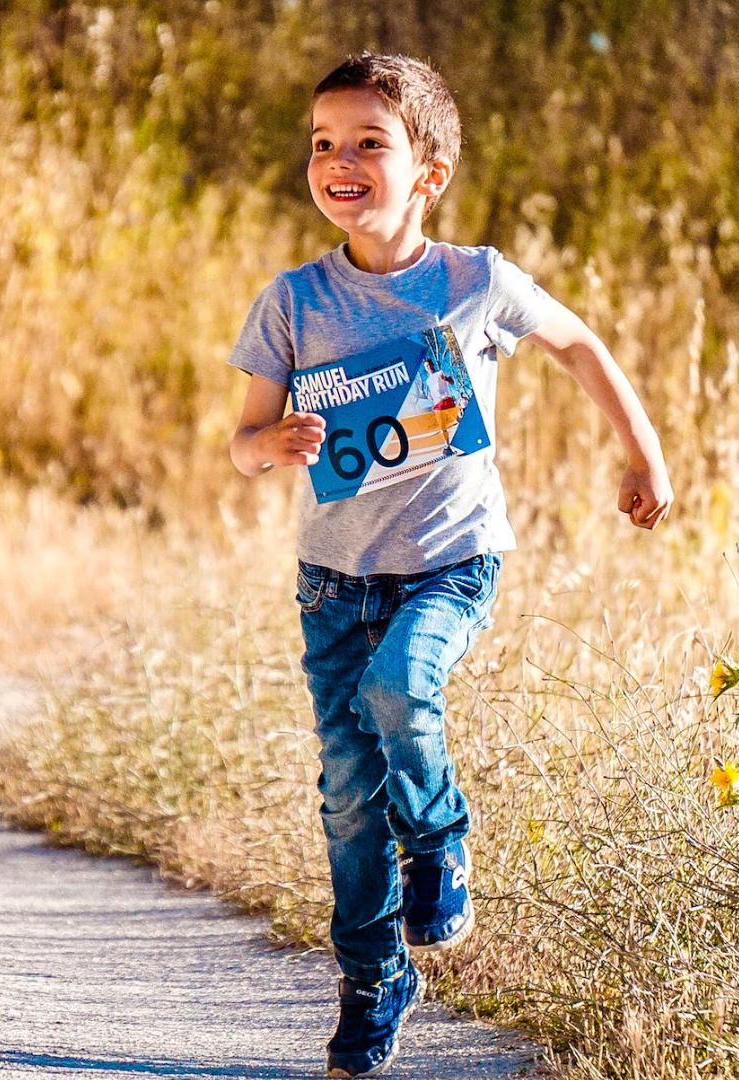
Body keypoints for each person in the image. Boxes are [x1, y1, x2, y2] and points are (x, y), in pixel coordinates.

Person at [227, 53, 672, 1079]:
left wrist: (640, 450)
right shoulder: (291, 301)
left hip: (450, 564)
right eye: (322, 144)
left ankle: (437, 839)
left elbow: (576, 346)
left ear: (426, 172)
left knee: (401, 689)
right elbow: (242, 439)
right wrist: (273, 446)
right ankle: (372, 978)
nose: (338, 161)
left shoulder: (472, 279)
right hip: (333, 583)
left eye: (367, 144)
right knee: (344, 796)